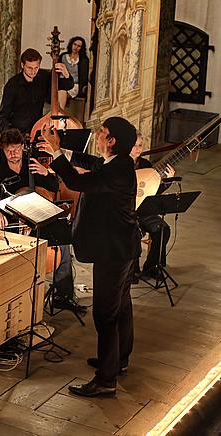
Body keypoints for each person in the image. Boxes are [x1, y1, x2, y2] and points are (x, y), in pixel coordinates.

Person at [41, 116, 140, 397]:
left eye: (103, 133)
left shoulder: (117, 171)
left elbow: (75, 181)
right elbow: (93, 164)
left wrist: (58, 152)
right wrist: (61, 151)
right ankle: (117, 359)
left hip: (113, 251)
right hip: (121, 248)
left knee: (105, 313)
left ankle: (106, 380)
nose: (97, 136)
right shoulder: (118, 164)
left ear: (112, 142)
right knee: (120, 306)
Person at [0, 128, 58, 230]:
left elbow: (55, 187)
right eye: (8, 151)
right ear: (3, 150)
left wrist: (46, 173)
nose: (13, 154)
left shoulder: (33, 166)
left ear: (22, 146)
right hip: (7, 224)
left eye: (16, 149)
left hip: (34, 224)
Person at [0, 48, 74, 137]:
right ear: (22, 65)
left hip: (36, 130)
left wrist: (66, 73)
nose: (33, 71)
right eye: (29, 67)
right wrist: (10, 137)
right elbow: (3, 116)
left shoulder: (43, 77)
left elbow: (67, 86)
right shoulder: (12, 85)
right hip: (17, 132)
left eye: (36, 67)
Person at [130, 132, 173, 280]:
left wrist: (168, 181)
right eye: (134, 145)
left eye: (140, 145)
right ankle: (131, 270)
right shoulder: (119, 165)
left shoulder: (146, 166)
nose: (137, 149)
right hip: (126, 214)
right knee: (132, 232)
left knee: (163, 230)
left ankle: (151, 267)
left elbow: (153, 192)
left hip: (144, 211)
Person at [58, 36, 89, 105]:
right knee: (58, 92)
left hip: (74, 85)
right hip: (61, 83)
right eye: (74, 44)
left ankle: (60, 111)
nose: (76, 47)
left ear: (81, 48)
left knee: (62, 93)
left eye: (79, 46)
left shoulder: (84, 60)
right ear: (71, 44)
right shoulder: (63, 56)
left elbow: (84, 77)